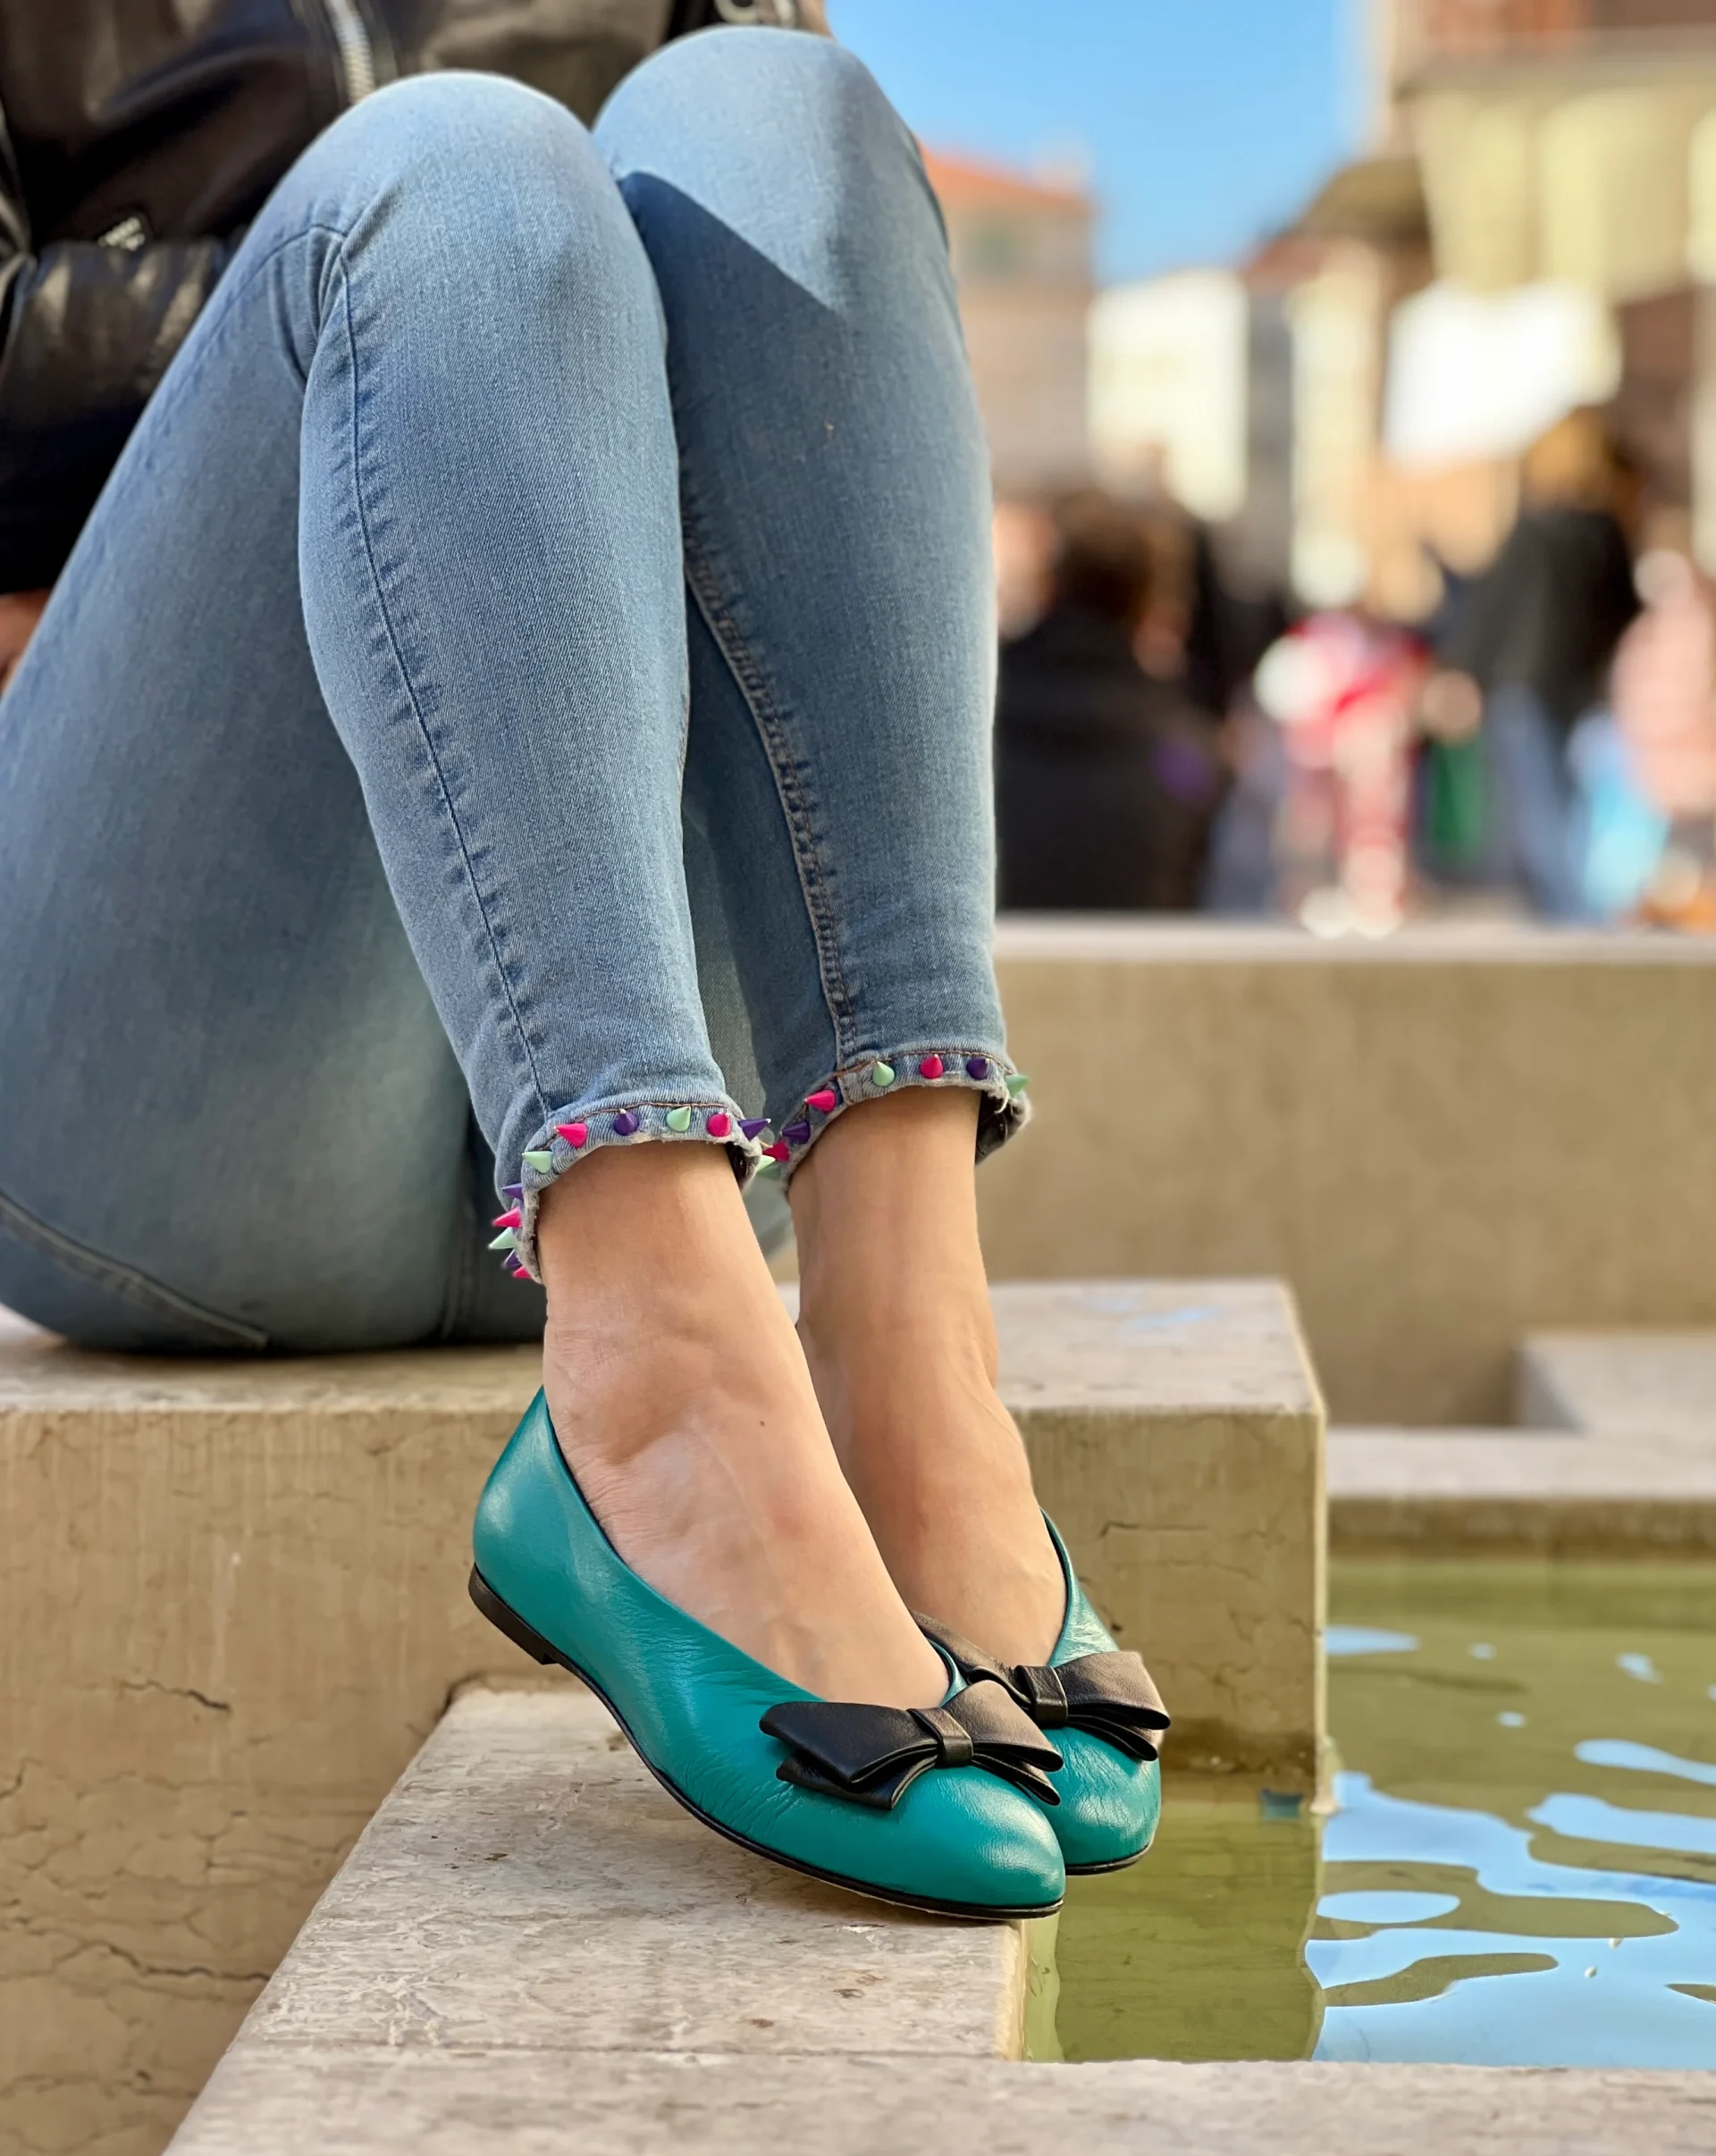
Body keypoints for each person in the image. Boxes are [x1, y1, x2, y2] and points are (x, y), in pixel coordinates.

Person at [0, 5, 1167, 1917]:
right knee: (462, 182)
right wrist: (466, 318)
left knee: (778, 113)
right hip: (173, 1033)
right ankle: (661, 1393)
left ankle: (904, 1340)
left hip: (682, 1041)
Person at [1442, 410, 1641, 918]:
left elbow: (1491, 610)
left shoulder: (1531, 531)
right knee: (1574, 806)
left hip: (1521, 686)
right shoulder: (1607, 533)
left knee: (1538, 807)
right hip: (1582, 690)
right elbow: (1624, 617)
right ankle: (1579, 910)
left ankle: (1567, 913)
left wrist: (1464, 674)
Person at [994, 492, 1226, 911]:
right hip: (1145, 955)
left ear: (1049, 588)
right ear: (1151, 609)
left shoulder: (977, 734)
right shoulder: (1188, 753)